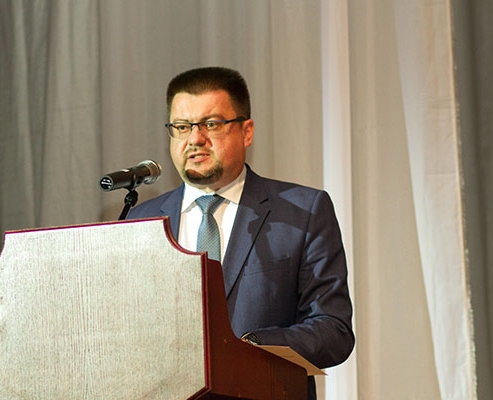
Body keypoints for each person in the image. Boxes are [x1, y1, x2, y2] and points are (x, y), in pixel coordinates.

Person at [127, 66, 354, 399]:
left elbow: (333, 330)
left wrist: (251, 347)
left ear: (247, 132)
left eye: (211, 124)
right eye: (182, 127)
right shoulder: (141, 221)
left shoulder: (303, 212)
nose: (195, 139)